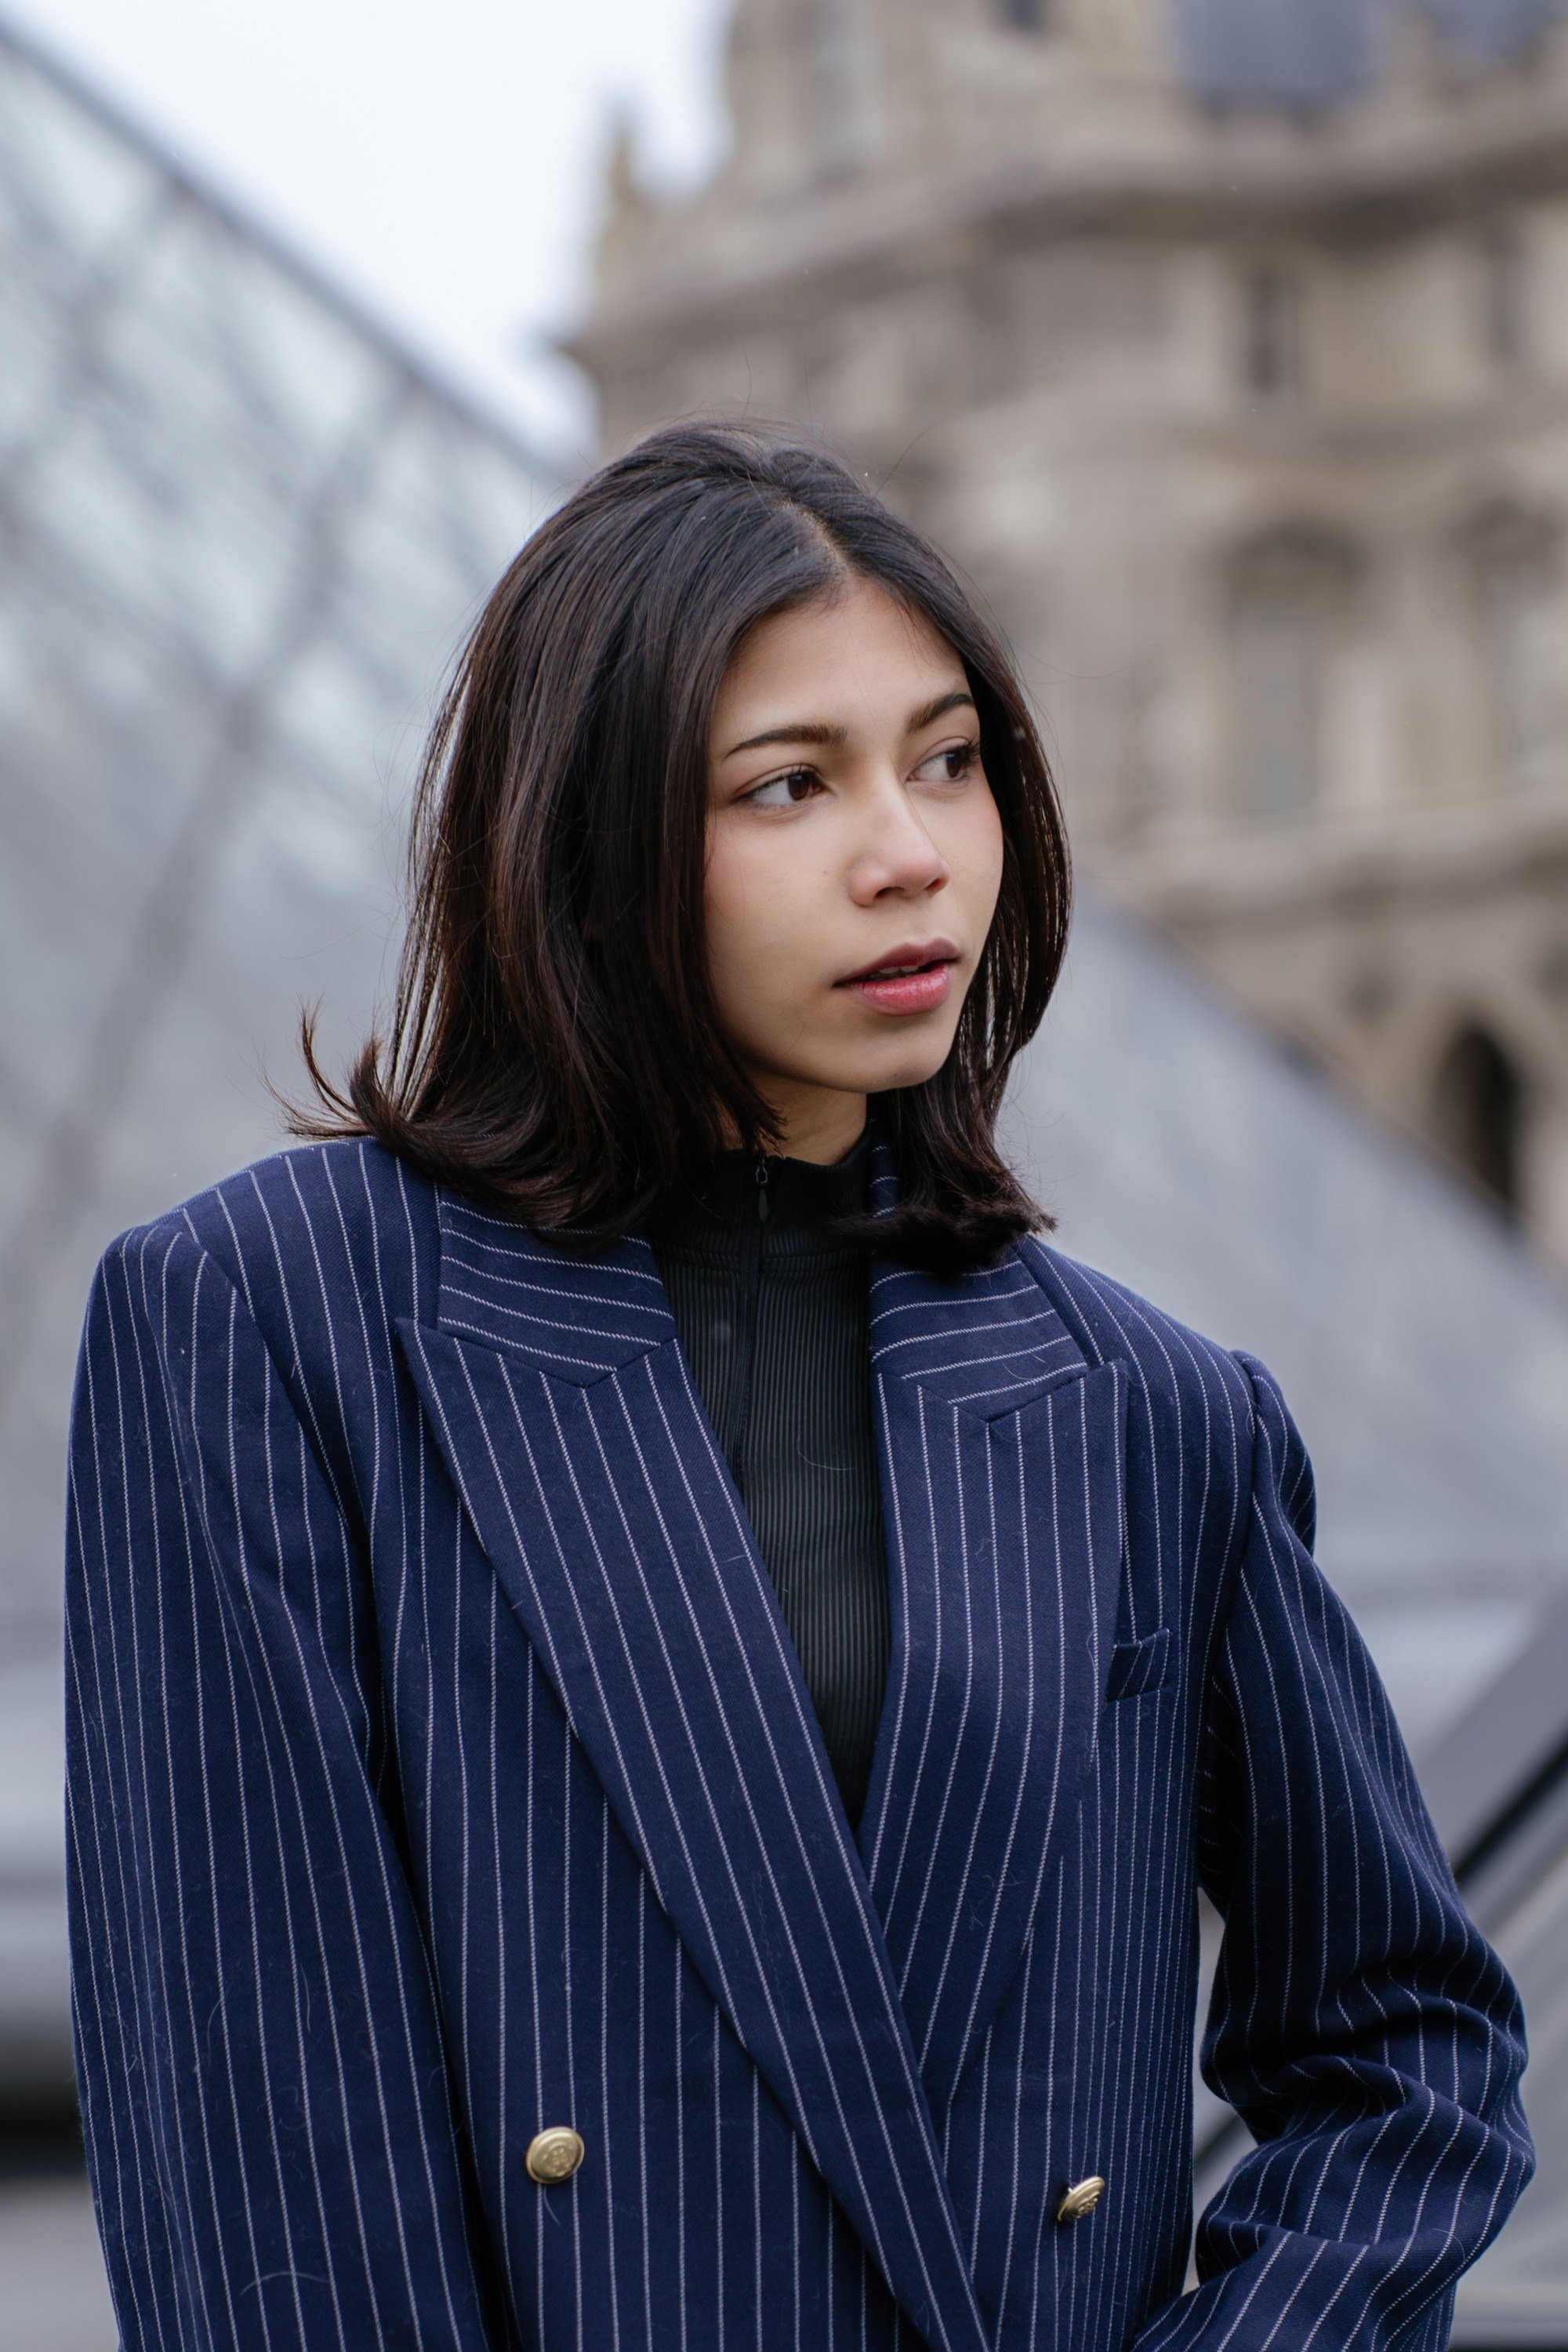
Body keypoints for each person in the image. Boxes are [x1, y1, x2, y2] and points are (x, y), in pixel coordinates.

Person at [65, 423, 1531, 2352]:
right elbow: (261, 2155)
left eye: (948, 759)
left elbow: (1405, 2054)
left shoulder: (1152, 1408)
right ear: (579, 851)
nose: (910, 852)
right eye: (789, 785)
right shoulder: (264, 1326)